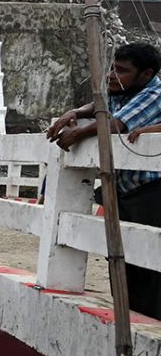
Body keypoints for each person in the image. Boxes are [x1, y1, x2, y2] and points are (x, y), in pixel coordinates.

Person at [46, 43, 161, 317]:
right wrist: (78, 112)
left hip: (151, 192)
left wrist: (77, 133)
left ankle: (149, 322)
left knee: (149, 264)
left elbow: (115, 124)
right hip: (125, 191)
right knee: (122, 260)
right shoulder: (124, 90)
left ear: (145, 74)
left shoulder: (154, 93)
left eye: (121, 70)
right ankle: (130, 316)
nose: (111, 75)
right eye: (112, 68)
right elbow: (100, 105)